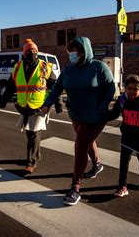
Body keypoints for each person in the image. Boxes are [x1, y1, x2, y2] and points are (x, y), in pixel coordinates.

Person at [40, 37, 115, 206]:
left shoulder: (99, 67)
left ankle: (75, 188)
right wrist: (47, 105)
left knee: (81, 146)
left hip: (95, 116)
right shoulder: (68, 70)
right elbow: (57, 88)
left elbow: (111, 87)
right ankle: (97, 165)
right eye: (71, 52)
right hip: (76, 115)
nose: (73, 55)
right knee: (87, 141)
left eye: (76, 51)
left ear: (84, 51)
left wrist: (102, 105)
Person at [0, 38, 62, 174]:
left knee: (34, 133)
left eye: (34, 51)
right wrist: (3, 101)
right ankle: (36, 155)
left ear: (37, 52)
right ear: (24, 53)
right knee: (30, 134)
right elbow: (10, 87)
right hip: (24, 107)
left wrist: (58, 103)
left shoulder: (45, 67)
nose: (32, 53)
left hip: (40, 107)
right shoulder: (18, 68)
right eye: (29, 51)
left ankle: (31, 162)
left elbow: (55, 87)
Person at [107, 74, 139, 198]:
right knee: (124, 161)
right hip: (127, 136)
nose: (131, 91)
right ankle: (122, 187)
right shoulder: (122, 100)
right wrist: (100, 115)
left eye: (135, 89)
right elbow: (113, 114)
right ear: (125, 88)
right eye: (129, 88)